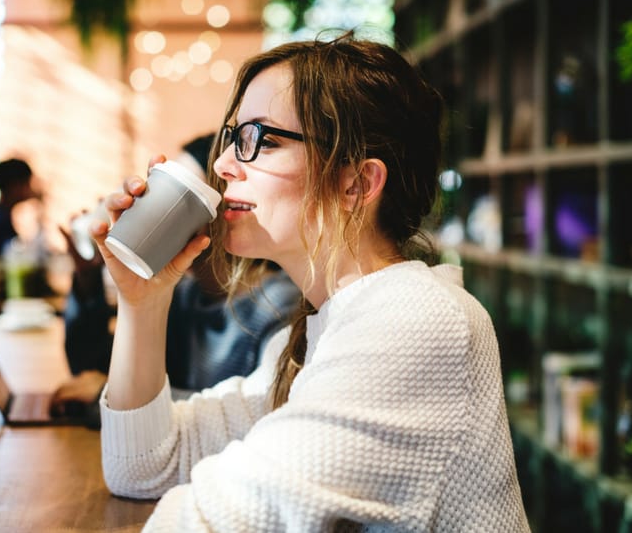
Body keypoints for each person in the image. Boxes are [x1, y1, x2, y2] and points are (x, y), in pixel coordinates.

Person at [92, 33, 530, 531]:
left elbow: (208, 522)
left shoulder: (416, 321)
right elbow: (144, 467)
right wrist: (142, 302)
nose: (223, 164)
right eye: (235, 137)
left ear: (356, 183)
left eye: (263, 139)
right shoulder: (308, 340)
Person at [51, 134, 301, 424]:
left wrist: (102, 397)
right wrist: (89, 276)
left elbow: (260, 414)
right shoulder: (184, 293)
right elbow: (89, 372)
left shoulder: (278, 306)